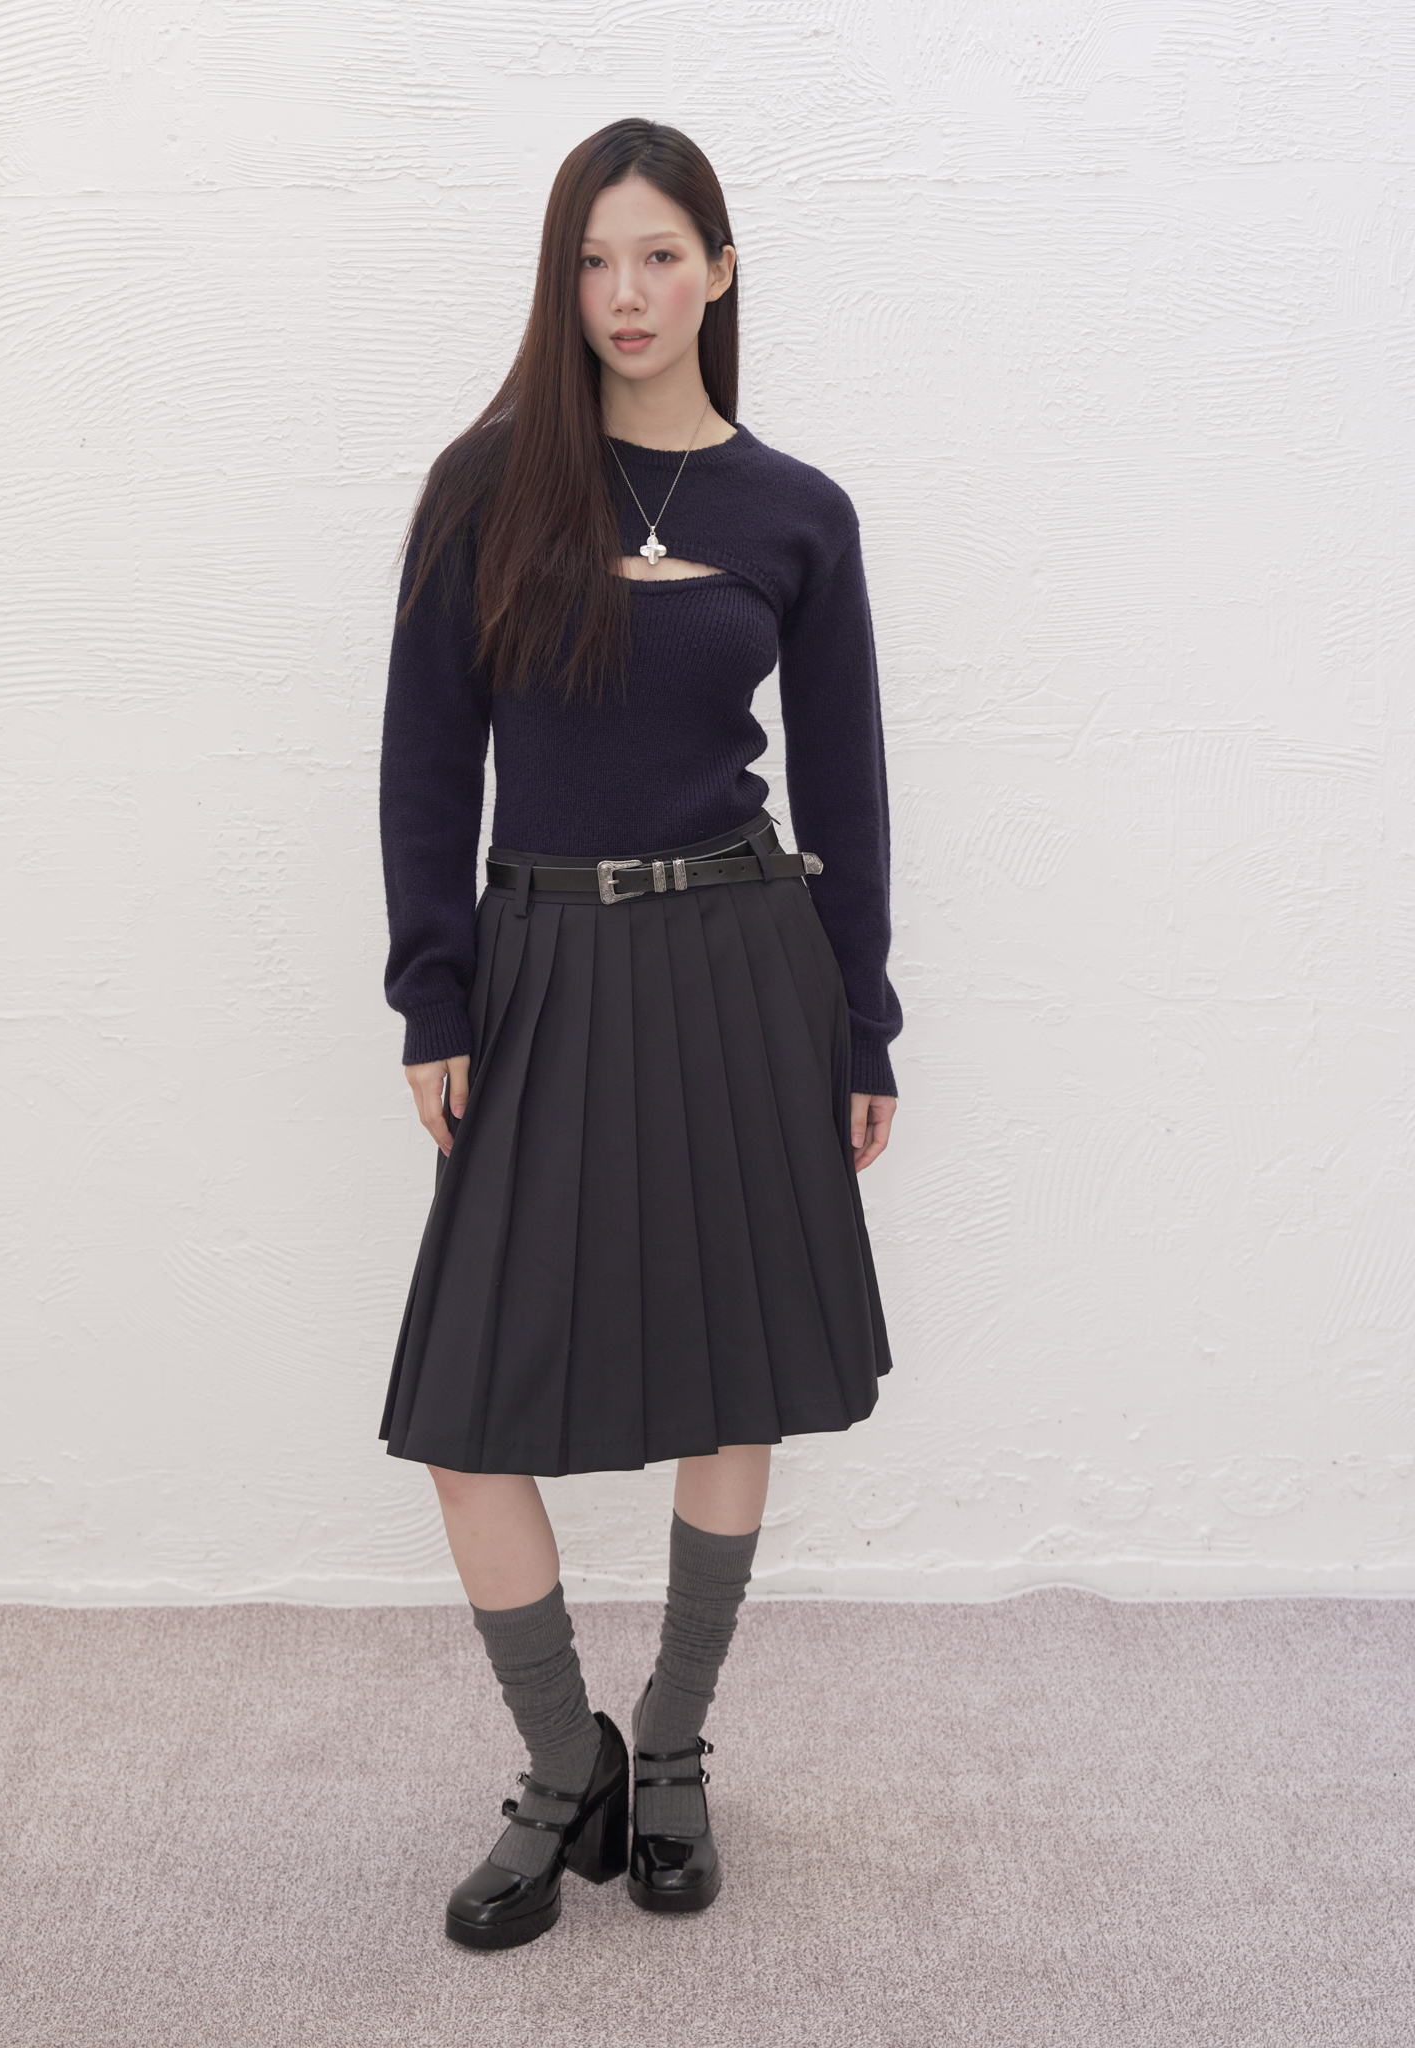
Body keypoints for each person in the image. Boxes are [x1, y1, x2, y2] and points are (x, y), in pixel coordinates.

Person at [376, 116, 902, 1950]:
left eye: (663, 254)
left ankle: (670, 1745)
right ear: (563, 277)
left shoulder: (797, 513)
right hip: (538, 967)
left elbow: (847, 788)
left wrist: (865, 1025)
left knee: (734, 1371)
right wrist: (432, 989)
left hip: (745, 965)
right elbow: (426, 767)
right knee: (467, 1410)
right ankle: (562, 1762)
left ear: (719, 273)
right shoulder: (485, 488)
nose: (628, 291)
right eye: (597, 258)